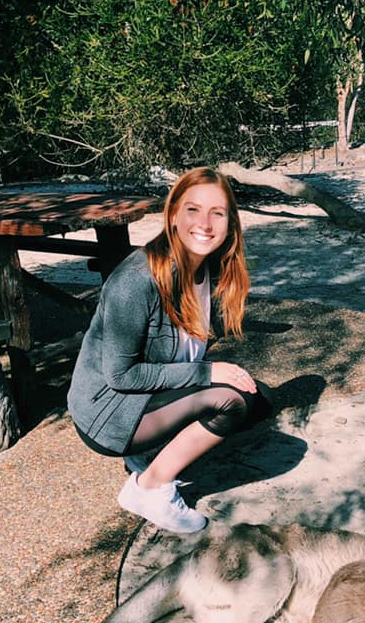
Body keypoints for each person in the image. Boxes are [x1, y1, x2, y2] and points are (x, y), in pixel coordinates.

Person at [68, 167, 272, 533]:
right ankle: (149, 488)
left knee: (256, 398)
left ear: (231, 222)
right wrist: (208, 373)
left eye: (218, 213)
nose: (205, 224)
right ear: (174, 214)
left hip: (142, 396)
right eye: (193, 210)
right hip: (106, 411)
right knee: (232, 402)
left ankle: (148, 455)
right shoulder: (136, 280)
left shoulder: (207, 267)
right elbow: (121, 375)